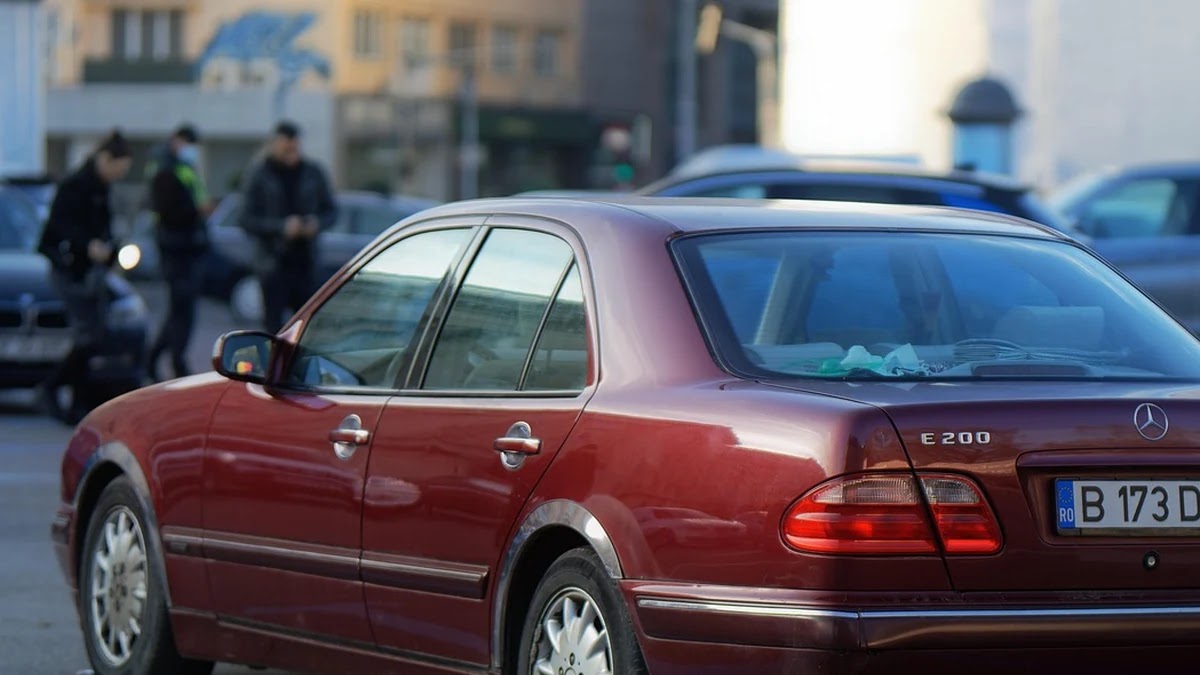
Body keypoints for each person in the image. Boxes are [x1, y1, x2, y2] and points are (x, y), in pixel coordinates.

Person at [36, 130, 133, 423]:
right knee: (88, 336)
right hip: (70, 270)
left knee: (96, 336)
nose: (118, 175)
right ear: (105, 159)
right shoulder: (75, 186)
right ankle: (52, 388)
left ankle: (79, 401)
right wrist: (86, 245)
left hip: (92, 272)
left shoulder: (102, 189)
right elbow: (57, 228)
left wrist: (110, 249)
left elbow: (105, 228)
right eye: (117, 168)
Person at [239, 121, 337, 333]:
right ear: (274, 144)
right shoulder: (260, 174)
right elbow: (246, 219)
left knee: (306, 328)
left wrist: (316, 224)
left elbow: (331, 211)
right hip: (273, 265)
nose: (291, 153)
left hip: (306, 264)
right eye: (285, 148)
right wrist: (281, 227)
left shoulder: (313, 172)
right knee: (273, 329)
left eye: (294, 147)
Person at [146, 124, 212, 380]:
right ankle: (175, 361)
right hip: (176, 248)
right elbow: (170, 209)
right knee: (181, 311)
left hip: (188, 246)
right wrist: (197, 211)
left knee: (180, 310)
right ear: (176, 141)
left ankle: (158, 359)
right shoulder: (165, 169)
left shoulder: (184, 167)